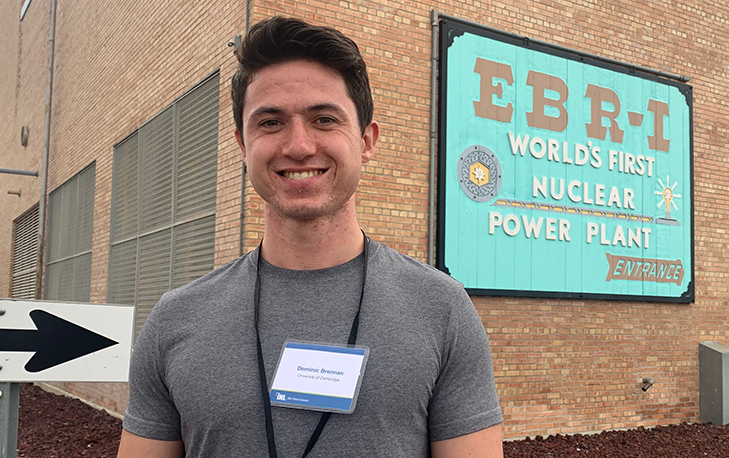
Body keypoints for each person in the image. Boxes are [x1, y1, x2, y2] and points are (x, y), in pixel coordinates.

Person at [117, 16, 503, 458]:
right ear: (242, 144)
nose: (299, 145)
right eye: (270, 122)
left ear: (366, 141)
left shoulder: (441, 310)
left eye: (323, 119)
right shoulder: (174, 320)